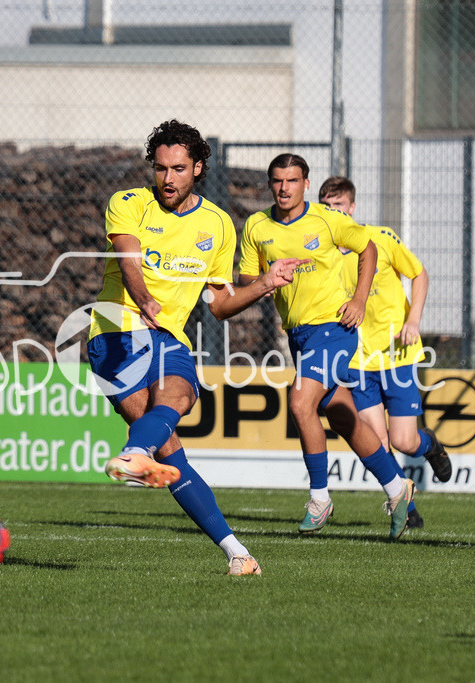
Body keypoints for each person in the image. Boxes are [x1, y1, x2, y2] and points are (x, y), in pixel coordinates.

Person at [88, 119, 306, 576]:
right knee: (171, 425)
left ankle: (237, 554)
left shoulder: (218, 224)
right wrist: (144, 296)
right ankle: (139, 454)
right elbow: (129, 259)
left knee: (169, 438)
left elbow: (221, 304)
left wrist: (265, 283)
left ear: (198, 168)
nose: (167, 179)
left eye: (179, 169)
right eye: (161, 168)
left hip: (167, 334)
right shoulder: (128, 204)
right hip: (114, 329)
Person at [239, 154, 416, 539]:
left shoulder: (327, 219)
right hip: (300, 334)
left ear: (306, 183)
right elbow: (248, 280)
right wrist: (266, 280)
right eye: (277, 181)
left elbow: (368, 248)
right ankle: (397, 488)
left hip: (335, 328)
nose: (284, 188)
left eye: (293, 180)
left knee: (300, 402)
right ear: (270, 184)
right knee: (340, 414)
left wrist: (360, 300)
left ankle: (319, 498)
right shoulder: (256, 226)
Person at [318, 176, 452, 531]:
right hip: (357, 362)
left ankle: (432, 446)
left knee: (405, 441)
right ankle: (405, 507)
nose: (333, 213)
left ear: (352, 208)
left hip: (396, 356)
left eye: (339, 206)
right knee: (377, 442)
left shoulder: (381, 238)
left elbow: (419, 275)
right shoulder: (320, 252)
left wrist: (414, 321)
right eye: (326, 207)